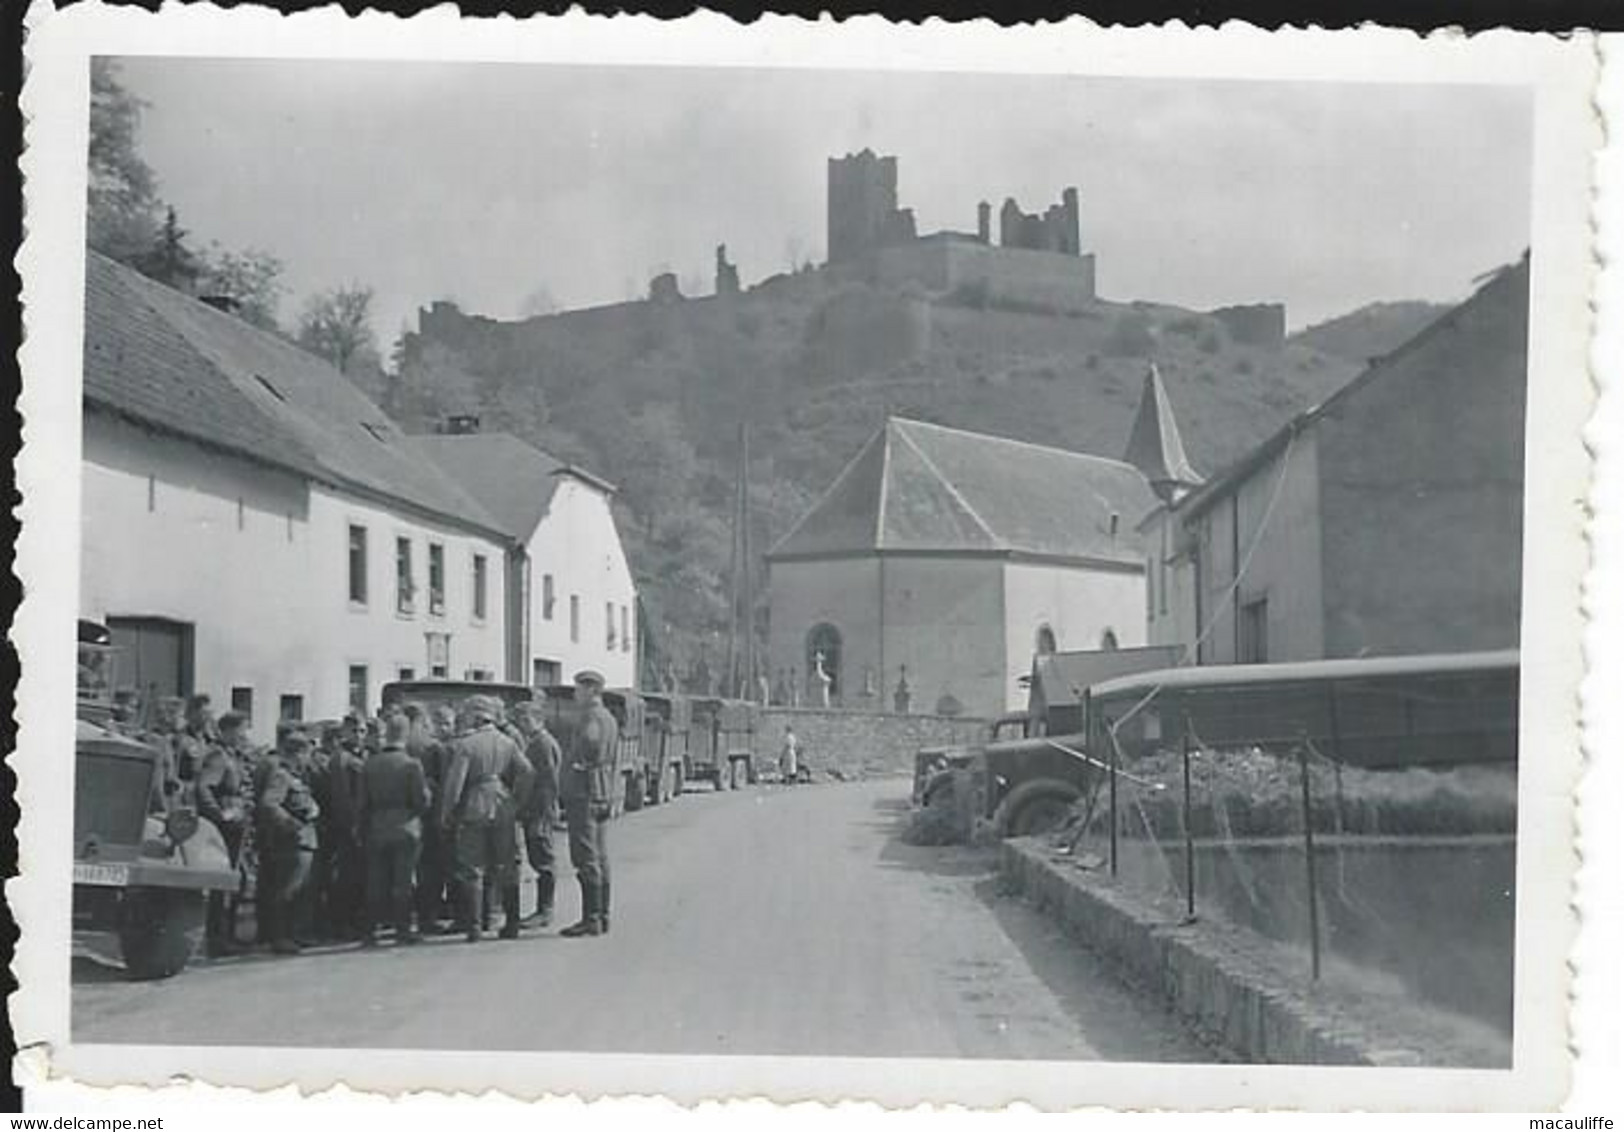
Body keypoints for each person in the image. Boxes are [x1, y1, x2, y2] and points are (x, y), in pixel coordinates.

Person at [440, 695, 532, 942]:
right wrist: (516, 800)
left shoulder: (466, 745)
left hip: (475, 804)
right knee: (507, 865)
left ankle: (475, 927)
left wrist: (447, 812)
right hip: (502, 803)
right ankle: (511, 923)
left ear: (476, 716)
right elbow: (527, 771)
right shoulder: (507, 742)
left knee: (473, 867)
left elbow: (455, 784)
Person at [358, 713, 430, 947]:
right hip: (406, 825)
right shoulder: (411, 765)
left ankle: (369, 931)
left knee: (375, 880)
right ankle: (402, 930)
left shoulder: (370, 764)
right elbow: (421, 800)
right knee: (403, 880)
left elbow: (362, 802)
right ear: (406, 734)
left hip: (377, 825)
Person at [560, 670, 618, 939]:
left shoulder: (592, 717)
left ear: (591, 691)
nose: (575, 694)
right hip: (603, 788)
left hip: (585, 791)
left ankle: (591, 918)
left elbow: (592, 743)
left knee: (585, 855)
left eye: (578, 689)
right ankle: (602, 915)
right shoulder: (608, 717)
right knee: (600, 854)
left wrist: (579, 763)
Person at [255, 730, 321, 955]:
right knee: (286, 890)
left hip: (304, 840)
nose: (307, 759)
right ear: (299, 753)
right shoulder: (282, 775)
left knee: (298, 890)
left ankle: (293, 934)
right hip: (293, 841)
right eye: (306, 754)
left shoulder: (296, 777)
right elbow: (269, 804)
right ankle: (280, 937)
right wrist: (291, 824)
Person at [195, 710, 252, 956]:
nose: (244, 735)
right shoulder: (218, 756)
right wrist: (218, 815)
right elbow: (203, 787)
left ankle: (227, 935)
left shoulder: (232, 756)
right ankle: (217, 939)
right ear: (227, 731)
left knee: (236, 880)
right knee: (223, 882)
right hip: (225, 828)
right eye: (240, 730)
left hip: (237, 825)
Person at [514, 699, 562, 928]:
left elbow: (548, 782)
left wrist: (543, 814)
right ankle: (543, 909)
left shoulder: (542, 744)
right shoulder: (535, 742)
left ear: (538, 720)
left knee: (543, 860)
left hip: (540, 810)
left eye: (526, 719)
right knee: (537, 858)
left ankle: (545, 910)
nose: (522, 724)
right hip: (535, 809)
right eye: (520, 719)